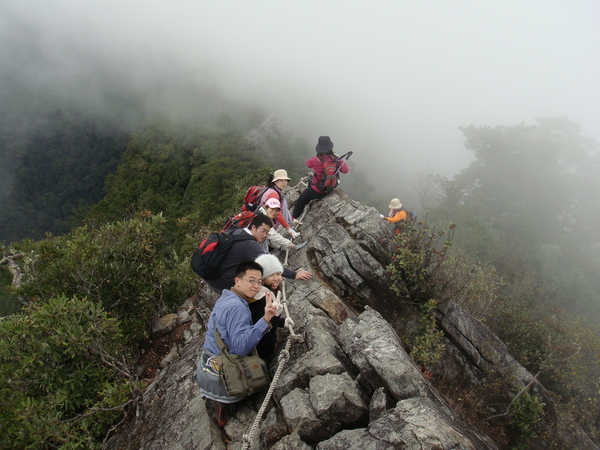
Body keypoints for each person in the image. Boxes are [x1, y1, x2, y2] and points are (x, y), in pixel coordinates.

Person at [195, 260, 277, 427]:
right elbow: (240, 347)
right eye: (251, 280)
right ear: (237, 281)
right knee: (263, 374)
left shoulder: (226, 298)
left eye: (260, 282)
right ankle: (229, 404)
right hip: (222, 378)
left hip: (206, 369)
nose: (256, 286)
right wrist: (266, 319)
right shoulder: (237, 307)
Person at [205, 214, 311, 293]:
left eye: (267, 232)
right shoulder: (250, 245)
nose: (264, 235)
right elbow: (269, 265)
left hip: (212, 277)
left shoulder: (237, 232)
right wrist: (295, 275)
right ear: (253, 227)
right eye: (263, 231)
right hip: (222, 282)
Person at [292, 136, 349, 219]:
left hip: (317, 191)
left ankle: (293, 219)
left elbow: (308, 164)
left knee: (301, 200)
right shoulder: (336, 159)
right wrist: (338, 159)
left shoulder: (316, 160)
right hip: (330, 188)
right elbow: (345, 170)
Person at [250, 254, 288, 360]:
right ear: (262, 278)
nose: (276, 278)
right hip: (264, 351)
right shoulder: (262, 298)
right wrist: (276, 316)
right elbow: (266, 329)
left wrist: (282, 321)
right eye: (271, 275)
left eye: (278, 274)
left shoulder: (257, 293)